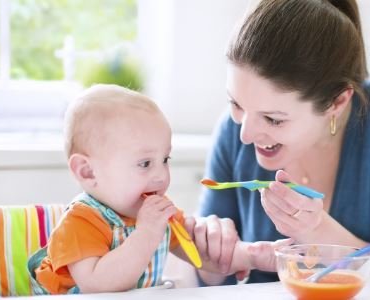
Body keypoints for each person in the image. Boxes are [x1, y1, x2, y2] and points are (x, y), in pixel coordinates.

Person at [188, 0, 370, 285]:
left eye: (273, 119)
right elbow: (213, 282)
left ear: (337, 102)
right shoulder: (232, 128)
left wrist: (316, 230)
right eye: (235, 103)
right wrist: (212, 257)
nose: (245, 135)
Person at [26, 84, 283, 294]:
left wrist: (253, 255)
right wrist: (147, 233)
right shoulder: (80, 222)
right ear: (88, 172)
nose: (161, 175)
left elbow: (201, 255)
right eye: (144, 163)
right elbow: (97, 285)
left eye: (165, 160)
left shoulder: (156, 214)